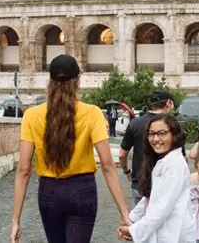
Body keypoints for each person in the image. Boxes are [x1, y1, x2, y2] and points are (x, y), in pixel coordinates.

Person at [10, 54, 131, 243]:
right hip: (82, 189)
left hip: (49, 191)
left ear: (50, 81)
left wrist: (15, 220)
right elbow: (107, 166)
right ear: (77, 81)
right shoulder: (92, 113)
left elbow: (24, 170)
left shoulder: (32, 115)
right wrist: (124, 213)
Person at [117, 114, 196, 243]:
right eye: (151, 134)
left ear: (174, 135)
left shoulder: (174, 164)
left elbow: (162, 206)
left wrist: (134, 229)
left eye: (162, 133)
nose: (155, 139)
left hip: (172, 233)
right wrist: (131, 219)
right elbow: (151, 198)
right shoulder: (163, 160)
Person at [120, 89, 176, 205]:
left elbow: (122, 154)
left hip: (140, 184)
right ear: (168, 103)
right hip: (166, 185)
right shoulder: (173, 125)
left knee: (141, 220)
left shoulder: (135, 123)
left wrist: (126, 171)